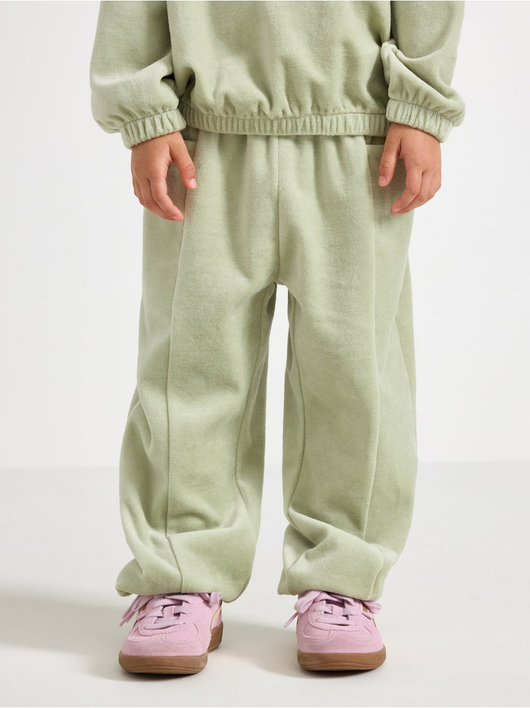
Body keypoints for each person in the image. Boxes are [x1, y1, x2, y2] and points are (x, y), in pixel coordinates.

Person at [89, 0, 465, 675]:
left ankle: (342, 577)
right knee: (190, 370)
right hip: (202, 136)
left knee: (353, 373)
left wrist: (421, 103)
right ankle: (181, 572)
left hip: (359, 134)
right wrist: (144, 110)